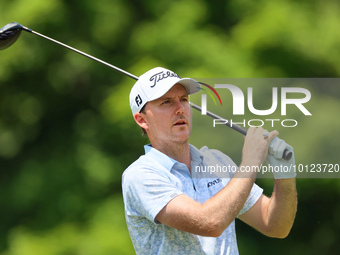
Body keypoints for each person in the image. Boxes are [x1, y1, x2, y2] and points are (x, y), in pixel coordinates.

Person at [122, 67, 297, 255]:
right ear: (142, 120)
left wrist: (284, 175)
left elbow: (275, 226)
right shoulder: (140, 175)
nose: (180, 109)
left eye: (183, 99)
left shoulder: (216, 161)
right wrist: (251, 162)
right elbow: (209, 223)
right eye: (166, 102)